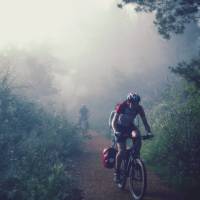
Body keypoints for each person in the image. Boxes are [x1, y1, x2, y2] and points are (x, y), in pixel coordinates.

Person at [111, 92, 153, 183]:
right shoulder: (122, 106)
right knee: (121, 151)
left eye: (137, 103)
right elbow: (114, 122)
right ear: (128, 101)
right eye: (133, 103)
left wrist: (149, 132)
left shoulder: (139, 108)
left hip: (130, 127)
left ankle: (136, 159)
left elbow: (145, 122)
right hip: (119, 127)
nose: (135, 105)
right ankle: (117, 173)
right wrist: (116, 132)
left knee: (137, 136)